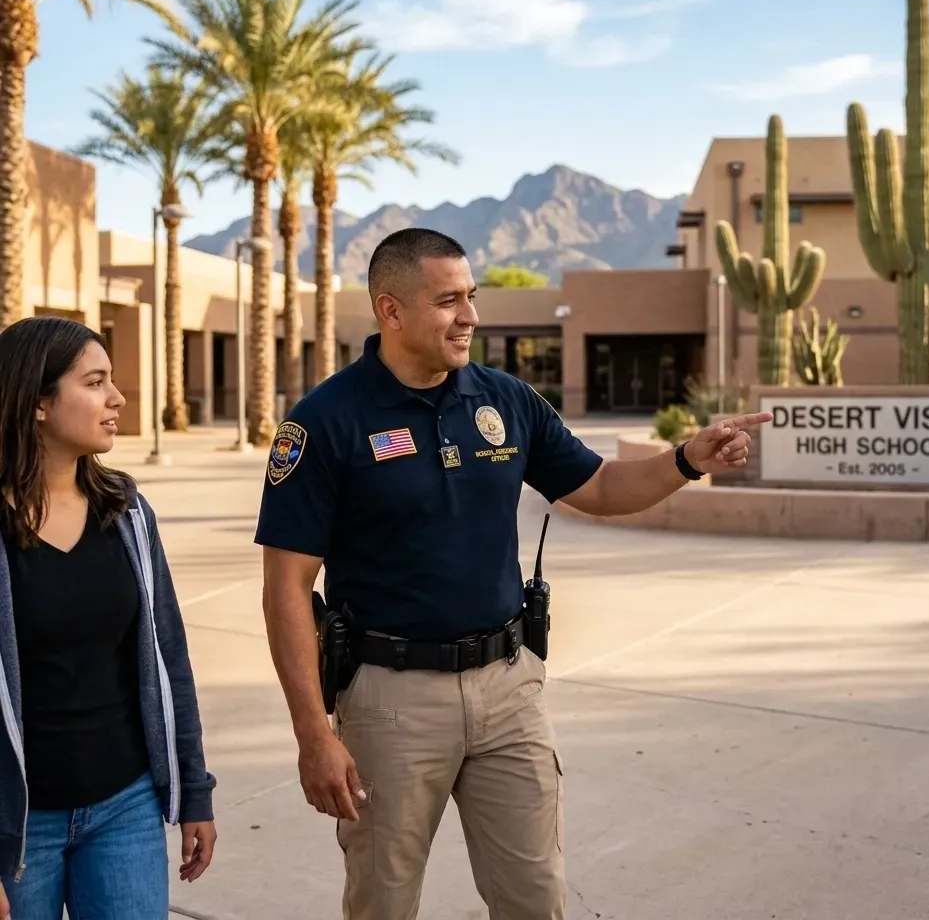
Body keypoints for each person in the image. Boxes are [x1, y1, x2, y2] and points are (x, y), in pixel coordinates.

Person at [257, 227, 770, 919]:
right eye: (448, 301)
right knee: (383, 900)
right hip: (389, 704)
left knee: (534, 898)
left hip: (509, 691)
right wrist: (313, 735)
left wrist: (686, 460)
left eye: (471, 297)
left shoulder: (506, 401)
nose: (470, 315)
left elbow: (603, 486)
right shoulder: (326, 421)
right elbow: (286, 587)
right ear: (390, 310)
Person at [0, 316, 217, 920]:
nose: (117, 399)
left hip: (125, 807)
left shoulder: (125, 510)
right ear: (38, 402)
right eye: (95, 383)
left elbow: (167, 656)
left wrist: (193, 790)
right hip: (18, 827)